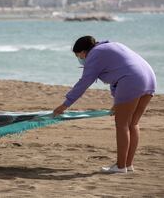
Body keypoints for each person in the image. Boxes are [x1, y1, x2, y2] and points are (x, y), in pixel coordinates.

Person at [53, 36, 156, 174]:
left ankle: (120, 167)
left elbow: (84, 82)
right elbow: (118, 74)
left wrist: (65, 104)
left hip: (132, 80)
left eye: (78, 56)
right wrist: (117, 101)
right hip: (149, 77)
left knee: (122, 125)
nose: (80, 59)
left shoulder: (94, 55)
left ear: (83, 52)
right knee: (133, 124)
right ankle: (128, 165)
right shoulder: (112, 46)